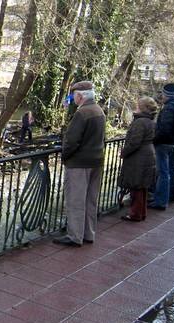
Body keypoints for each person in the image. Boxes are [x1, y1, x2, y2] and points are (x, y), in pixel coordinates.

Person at [53, 81, 106, 247]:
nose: (73, 98)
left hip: (80, 163)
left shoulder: (82, 113)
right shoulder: (99, 111)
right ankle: (88, 233)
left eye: (73, 95)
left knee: (76, 199)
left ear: (80, 95)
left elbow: (72, 141)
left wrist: (65, 156)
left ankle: (75, 235)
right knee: (91, 199)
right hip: (97, 160)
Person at [149, 83, 174, 210]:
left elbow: (165, 128)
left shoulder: (169, 108)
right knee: (172, 169)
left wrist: (154, 139)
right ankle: (172, 193)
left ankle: (161, 201)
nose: (162, 97)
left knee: (163, 172)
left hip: (165, 143)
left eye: (163, 94)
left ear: (167, 95)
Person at [118, 97, 157, 222]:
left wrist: (124, 152)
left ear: (142, 107)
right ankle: (141, 211)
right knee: (142, 185)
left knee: (136, 184)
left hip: (139, 156)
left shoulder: (140, 122)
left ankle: (135, 213)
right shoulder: (151, 122)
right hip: (148, 153)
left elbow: (135, 142)